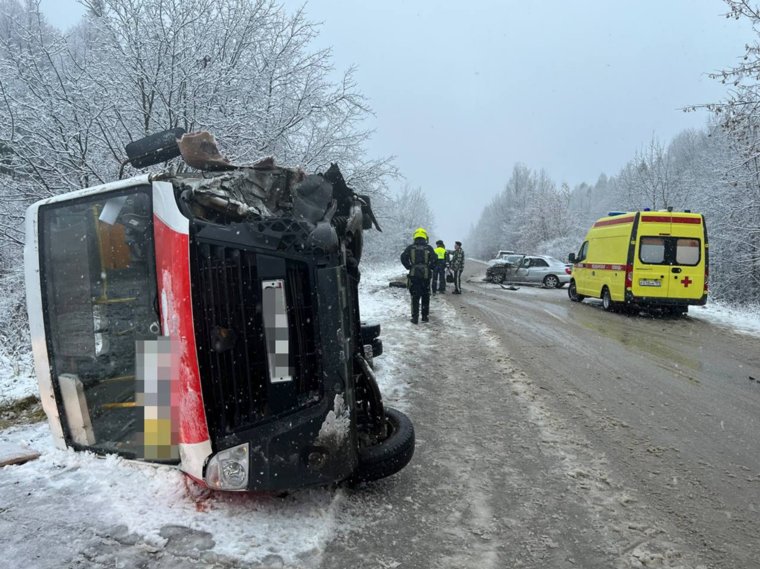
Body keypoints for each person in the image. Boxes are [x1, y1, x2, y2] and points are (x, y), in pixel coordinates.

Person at [400, 227, 437, 324]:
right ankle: (425, 317)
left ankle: (415, 318)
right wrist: (430, 267)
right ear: (425, 236)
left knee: (415, 296)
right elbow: (435, 259)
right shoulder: (428, 248)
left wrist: (408, 266)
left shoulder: (410, 248)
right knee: (426, 296)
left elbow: (403, 257)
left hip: (414, 275)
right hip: (426, 276)